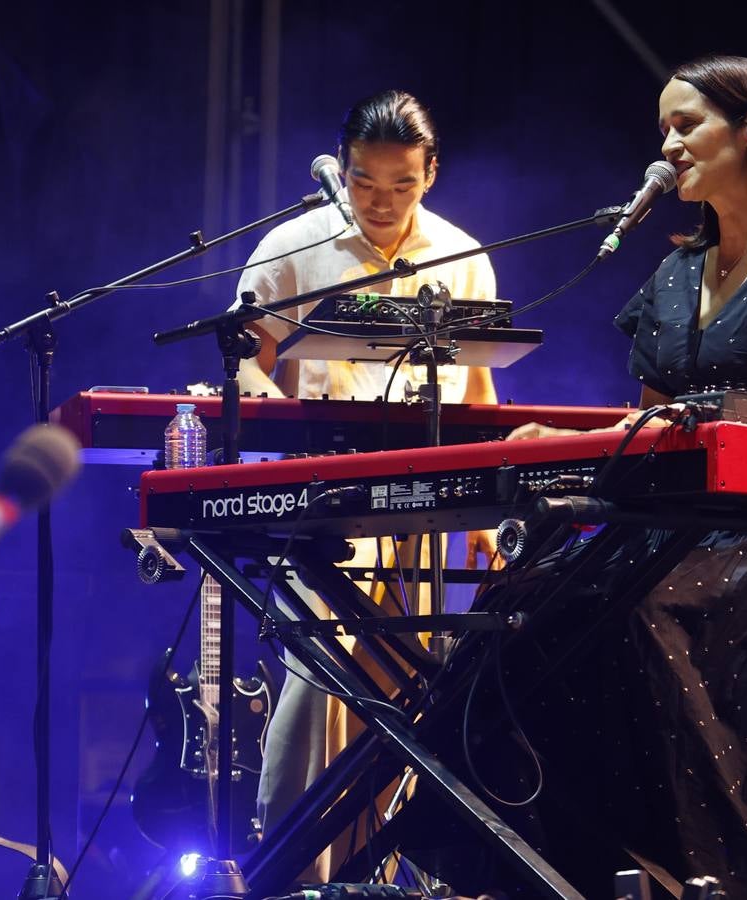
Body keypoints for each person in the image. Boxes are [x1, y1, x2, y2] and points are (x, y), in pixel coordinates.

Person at [505, 55, 747, 900]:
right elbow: (651, 420)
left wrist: (712, 422)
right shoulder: (677, 272)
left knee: (641, 611)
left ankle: (715, 874)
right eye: (662, 132)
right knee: (533, 603)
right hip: (682, 526)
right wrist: (560, 437)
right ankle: (561, 867)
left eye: (687, 126)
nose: (669, 147)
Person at [232, 89, 498, 880]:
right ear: (340, 170)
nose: (380, 202)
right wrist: (285, 430)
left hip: (426, 496)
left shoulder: (463, 254)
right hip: (324, 499)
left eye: (401, 184)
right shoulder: (294, 245)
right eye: (364, 182)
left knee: (402, 684)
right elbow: (244, 356)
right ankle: (285, 872)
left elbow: (478, 390)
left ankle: (376, 875)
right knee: (320, 673)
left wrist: (485, 513)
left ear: (431, 174)